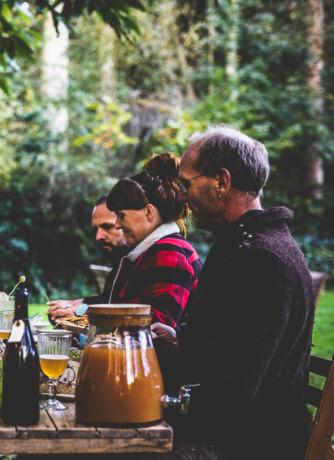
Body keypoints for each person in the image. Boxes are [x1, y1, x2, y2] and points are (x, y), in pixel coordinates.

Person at [160, 126, 314, 459]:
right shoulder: (245, 245)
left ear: (221, 181)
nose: (183, 197)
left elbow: (232, 393)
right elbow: (218, 349)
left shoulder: (261, 259)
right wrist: (172, 342)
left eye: (187, 184)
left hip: (248, 445)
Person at [101, 152, 202, 329]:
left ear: (148, 212)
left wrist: (90, 314)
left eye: (121, 216)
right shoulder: (152, 251)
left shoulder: (171, 252)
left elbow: (156, 327)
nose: (117, 225)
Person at [47, 195, 130, 323]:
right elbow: (108, 300)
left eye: (107, 226)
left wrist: (80, 309)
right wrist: (73, 303)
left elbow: (128, 311)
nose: (98, 236)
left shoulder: (141, 261)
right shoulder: (121, 261)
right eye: (96, 229)